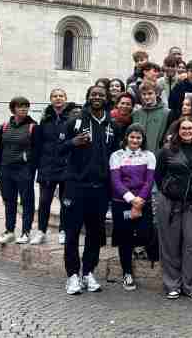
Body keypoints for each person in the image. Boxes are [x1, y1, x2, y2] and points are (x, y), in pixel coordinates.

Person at [62, 85, 120, 295]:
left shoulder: (112, 124)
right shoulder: (75, 120)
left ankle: (88, 273)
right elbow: (58, 149)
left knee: (95, 234)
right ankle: (72, 275)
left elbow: (115, 156)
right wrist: (72, 142)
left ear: (106, 99)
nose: (97, 97)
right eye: (93, 94)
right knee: (72, 233)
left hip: (100, 188)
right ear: (88, 97)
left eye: (101, 95)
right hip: (76, 187)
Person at [155, 117, 192, 300]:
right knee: (170, 245)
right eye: (183, 128)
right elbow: (158, 176)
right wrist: (170, 190)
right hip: (170, 203)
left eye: (190, 128)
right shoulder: (166, 151)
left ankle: (191, 285)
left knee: (191, 244)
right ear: (177, 130)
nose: (187, 131)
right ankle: (172, 284)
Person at [109, 123, 156, 291]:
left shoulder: (149, 155)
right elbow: (116, 181)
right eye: (132, 136)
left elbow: (149, 181)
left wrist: (140, 201)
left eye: (138, 137)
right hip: (122, 204)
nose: (135, 140)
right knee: (124, 239)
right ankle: (127, 273)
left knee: (145, 232)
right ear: (126, 138)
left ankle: (139, 248)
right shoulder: (117, 155)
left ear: (143, 139)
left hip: (143, 203)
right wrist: (131, 200)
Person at [33, 89, 76, 245]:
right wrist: (38, 164)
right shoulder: (45, 118)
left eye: (61, 96)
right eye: (55, 96)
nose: (58, 99)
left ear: (65, 99)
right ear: (51, 99)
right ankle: (41, 231)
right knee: (44, 201)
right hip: (47, 166)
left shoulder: (72, 118)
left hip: (65, 166)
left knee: (65, 201)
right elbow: (38, 143)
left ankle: (63, 230)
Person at [0, 96, 39, 245]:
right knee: (9, 201)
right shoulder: (5, 126)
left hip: (23, 170)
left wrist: (29, 167)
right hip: (5, 170)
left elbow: (37, 150)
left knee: (27, 201)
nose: (24, 109)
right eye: (20, 106)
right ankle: (9, 231)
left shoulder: (33, 126)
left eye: (26, 106)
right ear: (13, 109)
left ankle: (25, 232)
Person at [132, 81, 170, 152]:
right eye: (144, 94)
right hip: (138, 154)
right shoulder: (136, 113)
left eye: (150, 93)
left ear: (157, 93)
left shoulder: (166, 113)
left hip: (157, 154)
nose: (146, 97)